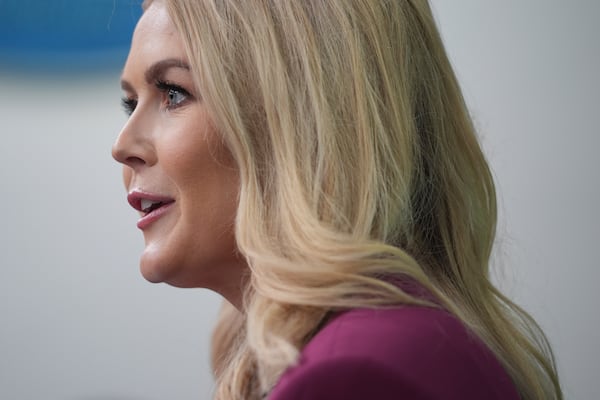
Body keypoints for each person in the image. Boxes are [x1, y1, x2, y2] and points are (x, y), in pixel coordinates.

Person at [112, 1, 563, 399]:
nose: (122, 145)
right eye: (130, 104)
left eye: (173, 93)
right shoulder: (401, 344)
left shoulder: (353, 376)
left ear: (301, 119)